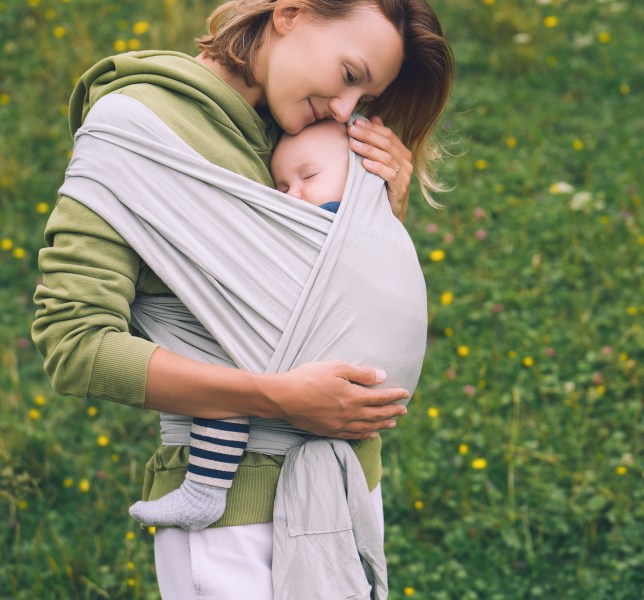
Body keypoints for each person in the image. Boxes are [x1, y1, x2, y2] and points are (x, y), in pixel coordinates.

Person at [32, 0, 453, 597]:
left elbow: (332, 297)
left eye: (362, 100)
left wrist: (377, 215)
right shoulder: (139, 129)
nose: (344, 108)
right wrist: (277, 398)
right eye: (349, 75)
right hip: (230, 517)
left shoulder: (310, 140)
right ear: (291, 14)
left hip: (350, 492)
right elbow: (75, 344)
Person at [127, 120, 355, 531]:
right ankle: (204, 492)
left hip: (307, 346)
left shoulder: (338, 221)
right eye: (283, 188)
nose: (296, 195)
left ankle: (204, 490)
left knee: (221, 380)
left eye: (310, 176)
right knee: (226, 378)